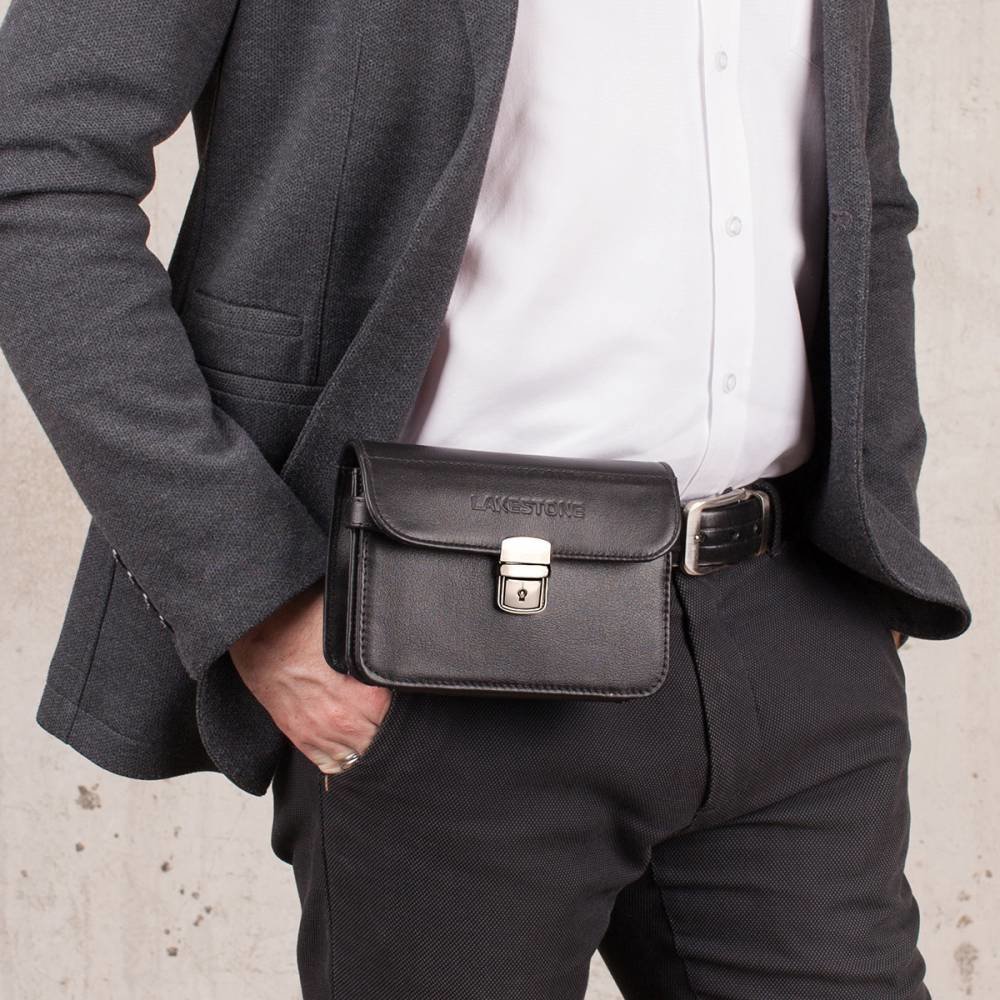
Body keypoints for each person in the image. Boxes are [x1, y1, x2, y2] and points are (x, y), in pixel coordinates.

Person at [0, 0, 973, 997]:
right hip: (444, 652)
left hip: (791, 635)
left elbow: (863, 188)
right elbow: (34, 167)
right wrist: (258, 600)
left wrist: (878, 533)